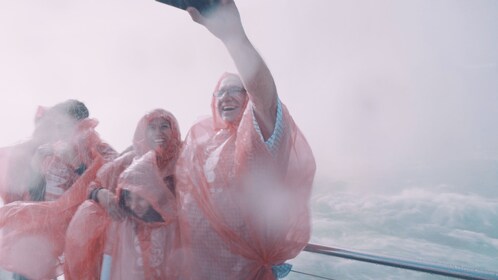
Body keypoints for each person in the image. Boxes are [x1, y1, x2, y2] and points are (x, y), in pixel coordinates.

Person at [175, 1, 316, 279]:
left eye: (236, 90)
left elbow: (265, 100)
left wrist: (233, 38)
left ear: (247, 97)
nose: (226, 96)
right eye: (220, 92)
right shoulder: (206, 143)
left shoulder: (253, 140)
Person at [0, 99, 117, 279]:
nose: (57, 132)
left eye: (63, 126)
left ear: (82, 125)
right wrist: (36, 168)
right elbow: (37, 198)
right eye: (56, 126)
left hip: (85, 237)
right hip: (48, 236)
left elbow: (113, 181)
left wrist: (78, 164)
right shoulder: (52, 154)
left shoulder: (101, 150)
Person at [63, 109, 182, 280]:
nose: (158, 132)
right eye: (152, 127)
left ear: (174, 131)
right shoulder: (129, 161)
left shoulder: (184, 159)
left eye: (164, 126)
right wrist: (102, 194)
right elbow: (93, 185)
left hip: (172, 249)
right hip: (128, 248)